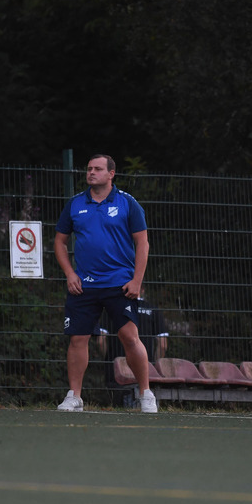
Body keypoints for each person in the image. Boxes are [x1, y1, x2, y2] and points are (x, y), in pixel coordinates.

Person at [54, 154, 157, 413]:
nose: (91, 173)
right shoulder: (76, 204)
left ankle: (146, 394)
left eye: (98, 169)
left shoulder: (127, 203)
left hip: (120, 284)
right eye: (89, 169)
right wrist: (70, 273)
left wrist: (136, 280)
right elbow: (60, 241)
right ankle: (74, 396)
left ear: (111, 174)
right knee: (78, 338)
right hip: (84, 285)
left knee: (129, 337)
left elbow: (142, 243)